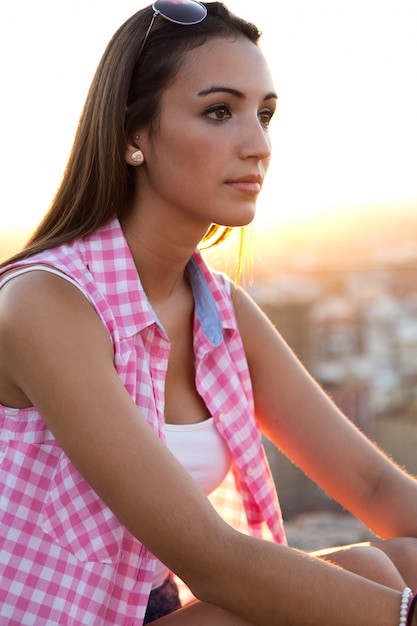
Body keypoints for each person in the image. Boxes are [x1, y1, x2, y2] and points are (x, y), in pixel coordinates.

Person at [1, 1, 417, 624]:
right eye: (219, 111)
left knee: (393, 561)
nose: (258, 145)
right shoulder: (45, 304)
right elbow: (210, 557)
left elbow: (372, 487)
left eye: (266, 114)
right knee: (378, 584)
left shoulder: (221, 310)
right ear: (133, 135)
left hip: (153, 608)